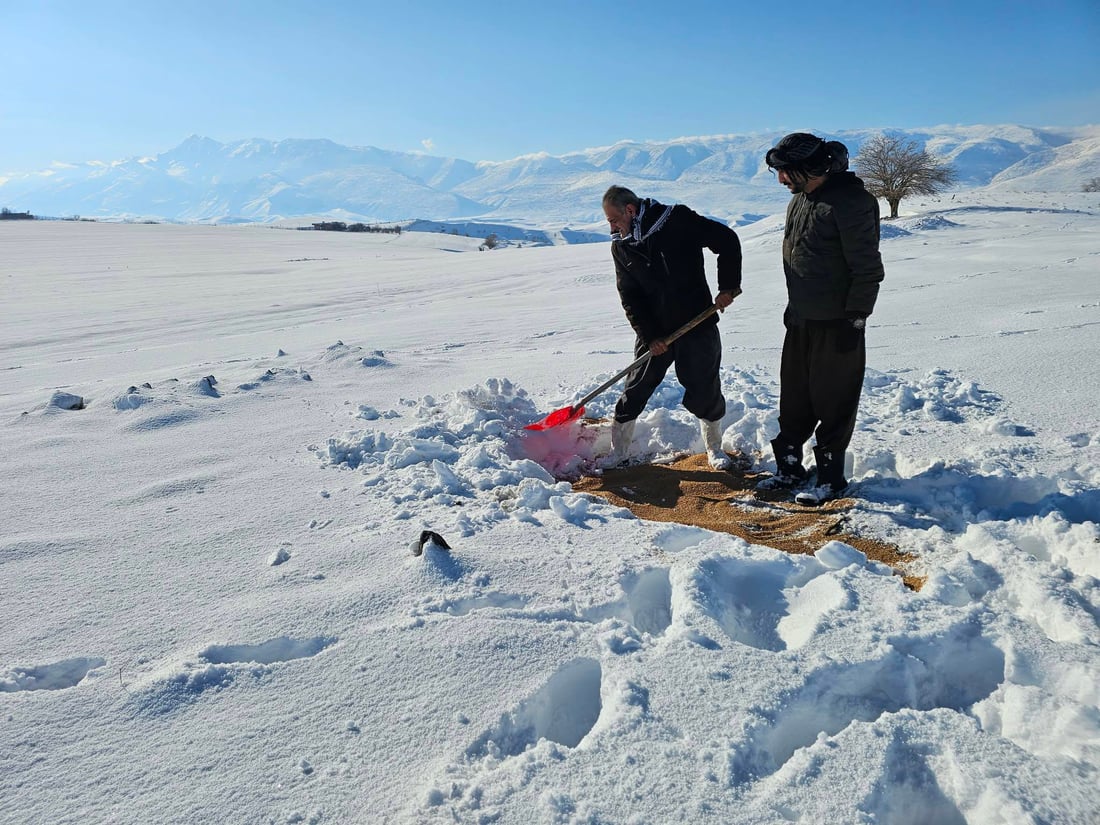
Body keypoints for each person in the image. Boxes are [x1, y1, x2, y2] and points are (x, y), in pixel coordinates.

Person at [762, 132, 885, 504]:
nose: (781, 180)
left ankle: (831, 479)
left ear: (807, 168)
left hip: (839, 321)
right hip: (801, 317)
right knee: (795, 397)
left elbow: (867, 269)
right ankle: (789, 467)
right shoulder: (801, 200)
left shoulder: (852, 202)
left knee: (834, 401)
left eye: (785, 172)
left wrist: (857, 318)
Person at [601, 185, 742, 470]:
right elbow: (629, 295)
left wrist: (728, 286)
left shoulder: (677, 220)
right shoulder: (622, 246)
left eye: (613, 219)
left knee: (704, 387)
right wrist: (650, 336)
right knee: (637, 386)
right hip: (655, 331)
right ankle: (620, 451)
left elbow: (726, 240)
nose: (612, 227)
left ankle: (714, 449)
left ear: (630, 210)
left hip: (697, 322)